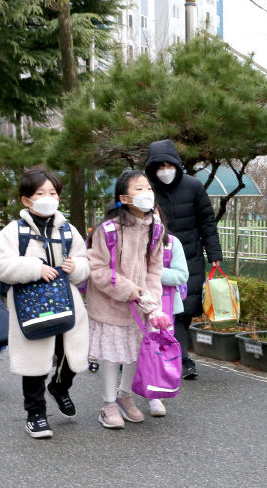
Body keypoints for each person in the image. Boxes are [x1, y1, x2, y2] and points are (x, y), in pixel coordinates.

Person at [0, 167, 90, 439]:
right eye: (40, 193)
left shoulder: (69, 230)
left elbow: (85, 261)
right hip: (30, 305)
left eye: (53, 193)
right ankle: (35, 414)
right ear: (26, 200)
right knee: (35, 361)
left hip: (68, 302)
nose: (49, 197)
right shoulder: (14, 231)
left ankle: (60, 386)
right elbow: (0, 266)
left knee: (73, 353)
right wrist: (35, 268)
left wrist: (77, 266)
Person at [86, 169, 170, 429]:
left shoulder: (156, 228)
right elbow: (97, 268)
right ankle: (108, 403)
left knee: (136, 352)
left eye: (148, 188)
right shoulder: (108, 230)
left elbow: (155, 268)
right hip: (109, 304)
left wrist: (151, 299)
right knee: (111, 355)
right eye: (139, 189)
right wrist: (129, 290)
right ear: (123, 197)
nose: (146, 194)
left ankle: (124, 396)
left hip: (141, 305)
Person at [144, 140, 223, 379]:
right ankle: (182, 358)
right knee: (167, 310)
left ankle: (173, 350)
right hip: (157, 259)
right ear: (151, 169)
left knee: (186, 309)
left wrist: (215, 255)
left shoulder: (194, 187)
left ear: (177, 164)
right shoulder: (146, 191)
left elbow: (207, 222)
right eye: (159, 166)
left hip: (190, 258)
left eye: (169, 165)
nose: (165, 170)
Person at [148, 208, 189, 417]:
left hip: (164, 306)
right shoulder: (128, 241)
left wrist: (152, 272)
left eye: (153, 210)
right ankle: (123, 393)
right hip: (134, 304)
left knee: (159, 350)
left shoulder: (172, 243)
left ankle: (156, 397)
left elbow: (181, 275)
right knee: (134, 350)